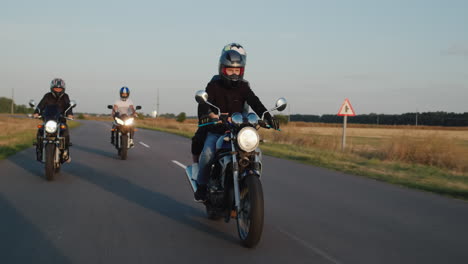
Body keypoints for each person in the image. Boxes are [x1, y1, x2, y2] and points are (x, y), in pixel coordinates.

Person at [193, 43, 279, 202]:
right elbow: (204, 104)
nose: (234, 73)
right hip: (218, 129)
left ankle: (249, 182)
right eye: (230, 70)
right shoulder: (213, 85)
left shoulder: (243, 87)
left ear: (242, 70)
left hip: (239, 130)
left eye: (237, 70)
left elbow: (255, 102)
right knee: (207, 154)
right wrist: (209, 116)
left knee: (254, 151)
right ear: (222, 69)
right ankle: (202, 185)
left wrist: (267, 116)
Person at [33, 78, 74, 161]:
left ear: (63, 89)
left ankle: (65, 150)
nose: (58, 90)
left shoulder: (65, 96)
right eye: (56, 88)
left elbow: (68, 106)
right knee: (40, 130)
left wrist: (70, 114)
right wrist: (36, 112)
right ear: (52, 88)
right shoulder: (47, 96)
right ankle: (39, 148)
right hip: (48, 120)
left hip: (60, 120)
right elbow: (41, 105)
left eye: (59, 88)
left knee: (65, 132)